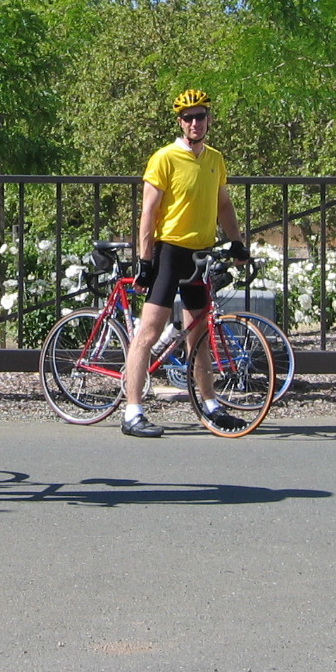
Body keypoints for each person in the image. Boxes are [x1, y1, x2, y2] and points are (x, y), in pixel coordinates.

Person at [119, 89, 250, 439]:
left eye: (201, 116)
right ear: (180, 122)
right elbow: (148, 213)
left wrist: (237, 241)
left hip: (200, 254)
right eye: (188, 117)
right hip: (169, 253)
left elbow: (224, 205)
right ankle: (132, 411)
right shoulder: (164, 158)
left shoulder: (215, 159)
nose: (195, 122)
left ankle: (210, 404)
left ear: (208, 119)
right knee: (148, 331)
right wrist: (146, 261)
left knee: (200, 335)